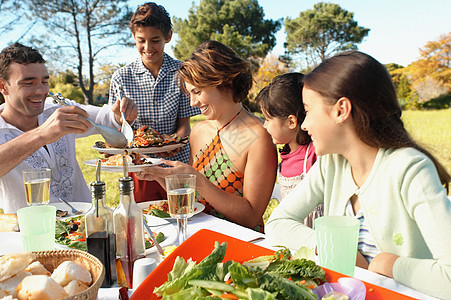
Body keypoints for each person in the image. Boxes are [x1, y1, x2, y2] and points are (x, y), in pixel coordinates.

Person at [265, 51, 451, 299]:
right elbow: (277, 223)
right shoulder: (330, 164)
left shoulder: (409, 169)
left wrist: (390, 266)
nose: (305, 125)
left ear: (341, 109)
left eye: (308, 111)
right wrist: (332, 246)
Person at [136, 40, 278, 232]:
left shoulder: (259, 137)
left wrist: (198, 181)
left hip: (240, 243)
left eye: (197, 92)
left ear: (223, 82)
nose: (193, 103)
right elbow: (193, 200)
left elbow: (251, 217)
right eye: (189, 94)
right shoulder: (200, 130)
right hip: (199, 233)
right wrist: (159, 175)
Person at [0, 43, 137, 213]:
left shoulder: (58, 108)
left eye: (44, 82)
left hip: (86, 226)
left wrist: (119, 114)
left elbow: (106, 119)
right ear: (2, 86)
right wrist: (42, 134)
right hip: (30, 234)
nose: (40, 91)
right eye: (28, 83)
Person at [109, 2, 200, 202]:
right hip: (140, 168)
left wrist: (176, 142)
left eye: (155, 40)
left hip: (176, 167)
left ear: (168, 36)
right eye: (141, 40)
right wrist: (117, 116)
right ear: (133, 37)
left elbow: (184, 125)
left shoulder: (182, 73)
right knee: (144, 220)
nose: (148, 48)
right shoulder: (121, 77)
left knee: (182, 214)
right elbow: (117, 128)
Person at [255, 72, 321, 228]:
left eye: (268, 119)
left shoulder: (315, 153)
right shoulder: (284, 155)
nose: (264, 125)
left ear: (291, 122)